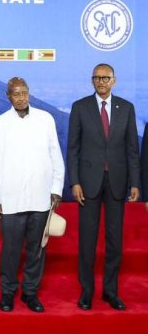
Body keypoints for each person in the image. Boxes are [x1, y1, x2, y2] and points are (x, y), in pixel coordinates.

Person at [0, 77, 64, 313]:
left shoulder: (45, 119)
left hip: (41, 196)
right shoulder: (0, 124)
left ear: (29, 93)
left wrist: (56, 188)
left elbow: (55, 154)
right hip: (11, 198)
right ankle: (8, 292)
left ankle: (30, 292)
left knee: (36, 249)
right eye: (16, 94)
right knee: (10, 250)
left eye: (24, 93)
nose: (21, 98)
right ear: (8, 96)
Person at [67, 63, 140, 311]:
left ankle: (110, 292)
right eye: (97, 78)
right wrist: (75, 181)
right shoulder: (80, 107)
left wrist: (135, 182)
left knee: (114, 241)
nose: (101, 82)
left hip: (117, 182)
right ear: (92, 81)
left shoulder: (126, 108)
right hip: (87, 183)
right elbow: (73, 149)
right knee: (87, 241)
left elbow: (132, 149)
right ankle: (86, 292)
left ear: (113, 81)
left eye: (105, 78)